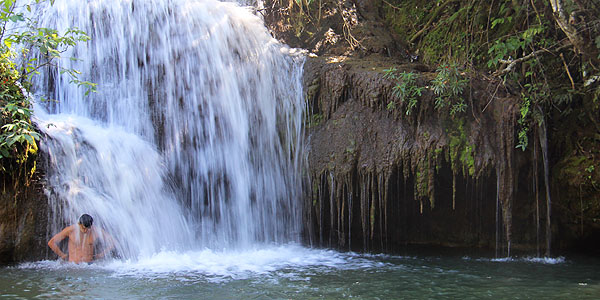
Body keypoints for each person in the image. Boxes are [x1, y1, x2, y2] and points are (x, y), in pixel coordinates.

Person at [48, 214, 116, 263]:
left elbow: (113, 242)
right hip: (73, 266)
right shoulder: (70, 230)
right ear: (79, 224)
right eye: (83, 228)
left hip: (89, 265)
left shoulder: (96, 231)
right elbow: (51, 242)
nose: (85, 231)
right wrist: (62, 255)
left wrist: (102, 254)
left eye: (88, 228)